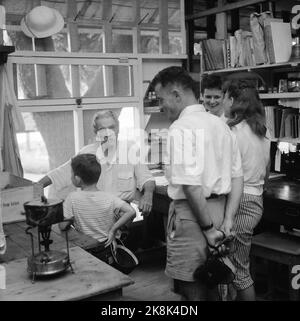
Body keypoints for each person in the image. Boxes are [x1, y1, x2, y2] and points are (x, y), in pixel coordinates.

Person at [151, 66, 243, 301]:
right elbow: (236, 177)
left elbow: (191, 187)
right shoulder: (220, 125)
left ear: (177, 95)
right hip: (221, 213)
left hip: (193, 217)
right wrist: (228, 220)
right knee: (213, 283)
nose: (161, 106)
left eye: (162, 99)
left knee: (191, 290)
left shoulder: (180, 128)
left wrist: (208, 229)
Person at [38, 110, 155, 216]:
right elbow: (59, 174)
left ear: (118, 129)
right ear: (96, 132)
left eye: (112, 127)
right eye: (102, 129)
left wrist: (148, 195)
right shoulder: (87, 153)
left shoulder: (130, 150)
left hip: (120, 210)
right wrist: (34, 188)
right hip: (92, 211)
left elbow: (146, 178)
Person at [222, 79, 271, 301]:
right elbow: (267, 171)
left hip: (239, 201)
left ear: (231, 100)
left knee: (238, 271)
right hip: (256, 200)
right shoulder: (263, 130)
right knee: (235, 267)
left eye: (223, 97)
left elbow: (226, 173)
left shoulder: (231, 131)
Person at [59, 153, 136, 261]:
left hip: (84, 250)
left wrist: (71, 218)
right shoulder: (109, 197)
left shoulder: (72, 198)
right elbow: (131, 211)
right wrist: (113, 230)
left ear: (77, 179)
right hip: (107, 248)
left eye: (71, 173)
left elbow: (62, 226)